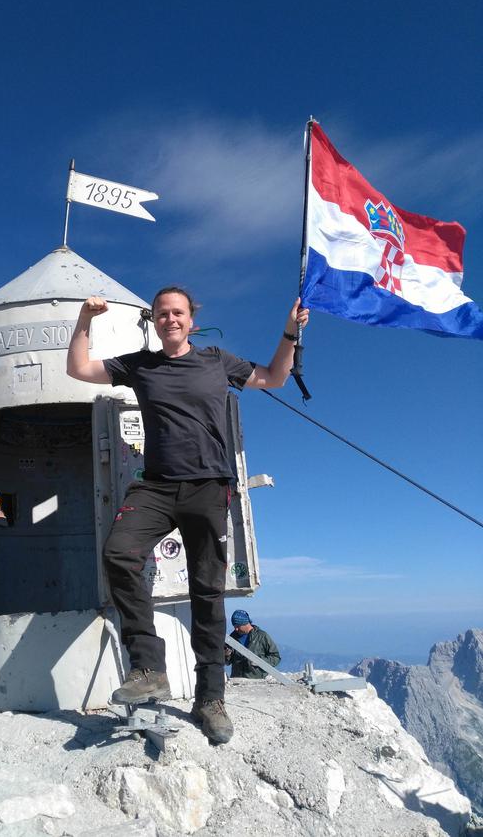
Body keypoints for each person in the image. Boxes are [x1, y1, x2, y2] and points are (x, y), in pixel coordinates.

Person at [66, 287, 308, 744]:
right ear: (154, 320)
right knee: (119, 552)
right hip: (155, 484)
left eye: (177, 313)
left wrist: (290, 332)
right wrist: (84, 320)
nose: (170, 319)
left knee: (207, 593)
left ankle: (210, 698)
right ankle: (148, 668)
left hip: (209, 487)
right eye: (162, 313)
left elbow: (276, 377)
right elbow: (77, 368)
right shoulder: (139, 365)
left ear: (191, 320)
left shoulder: (218, 361)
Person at [225, 609, 281, 679]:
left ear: (245, 623)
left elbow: (276, 657)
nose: (236, 629)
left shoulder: (262, 636)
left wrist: (260, 662)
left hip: (257, 681)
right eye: (234, 626)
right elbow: (227, 662)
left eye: (238, 626)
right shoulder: (232, 637)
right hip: (237, 680)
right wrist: (227, 655)